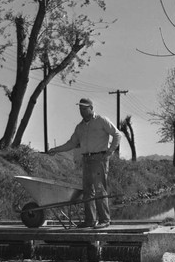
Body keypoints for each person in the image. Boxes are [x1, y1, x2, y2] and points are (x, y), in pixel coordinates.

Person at [48, 98, 122, 229]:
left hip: (99, 158)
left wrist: (110, 152)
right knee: (87, 191)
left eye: (84, 108)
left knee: (100, 189)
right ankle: (90, 220)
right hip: (86, 159)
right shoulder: (80, 127)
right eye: (80, 109)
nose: (81, 111)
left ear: (91, 108)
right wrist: (56, 150)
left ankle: (105, 220)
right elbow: (71, 143)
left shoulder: (101, 120)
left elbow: (117, 134)